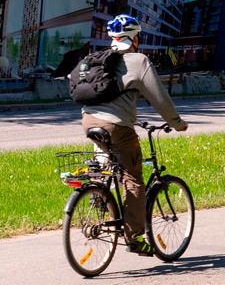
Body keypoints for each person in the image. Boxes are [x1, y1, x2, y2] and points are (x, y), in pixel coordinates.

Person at [80, 14, 188, 256]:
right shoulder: (138, 61)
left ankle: (98, 193)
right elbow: (160, 98)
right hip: (117, 126)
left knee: (106, 164)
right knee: (133, 177)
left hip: (88, 121)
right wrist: (177, 123)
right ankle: (135, 239)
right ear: (134, 38)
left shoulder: (98, 58)